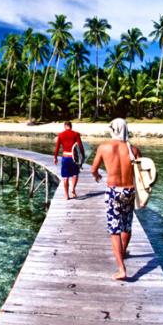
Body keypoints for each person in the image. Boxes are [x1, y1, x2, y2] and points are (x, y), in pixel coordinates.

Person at [90, 118, 142, 280]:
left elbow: (93, 169)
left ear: (113, 130)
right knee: (126, 226)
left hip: (114, 192)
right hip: (129, 191)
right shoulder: (134, 150)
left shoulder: (104, 147)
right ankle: (123, 252)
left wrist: (97, 175)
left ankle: (121, 269)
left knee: (114, 230)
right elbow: (141, 175)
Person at [54, 121, 85, 200]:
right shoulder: (76, 134)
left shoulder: (61, 135)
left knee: (65, 177)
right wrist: (83, 157)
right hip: (74, 158)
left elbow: (57, 147)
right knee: (75, 174)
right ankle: (73, 190)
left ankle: (66, 195)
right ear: (71, 126)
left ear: (65, 127)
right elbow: (80, 146)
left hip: (65, 157)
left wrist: (55, 157)